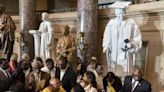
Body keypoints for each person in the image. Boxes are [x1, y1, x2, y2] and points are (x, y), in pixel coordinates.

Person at [102, 1, 142, 76]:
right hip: (114, 55)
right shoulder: (111, 24)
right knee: (114, 75)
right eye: (120, 13)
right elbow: (106, 39)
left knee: (125, 75)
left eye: (123, 13)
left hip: (126, 55)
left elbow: (138, 39)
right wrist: (106, 46)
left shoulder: (132, 23)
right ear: (116, 14)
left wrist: (132, 44)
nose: (122, 15)